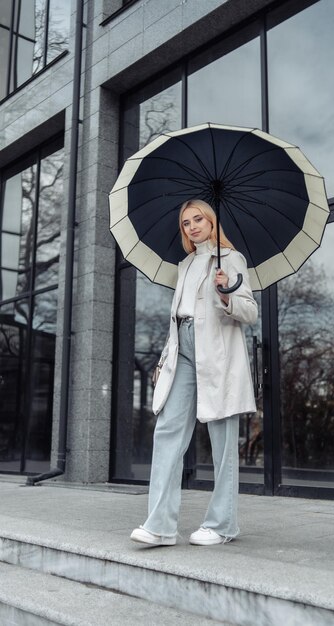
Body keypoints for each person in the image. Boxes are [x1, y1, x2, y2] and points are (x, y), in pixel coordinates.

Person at [130, 199, 258, 547]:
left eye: (198, 219)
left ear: (212, 221)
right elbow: (179, 318)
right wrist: (163, 361)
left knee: (223, 441)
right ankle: (160, 525)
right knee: (168, 430)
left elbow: (249, 312)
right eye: (186, 223)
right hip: (182, 350)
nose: (192, 227)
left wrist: (225, 292)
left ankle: (222, 525)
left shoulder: (231, 260)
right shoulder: (184, 264)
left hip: (216, 353)